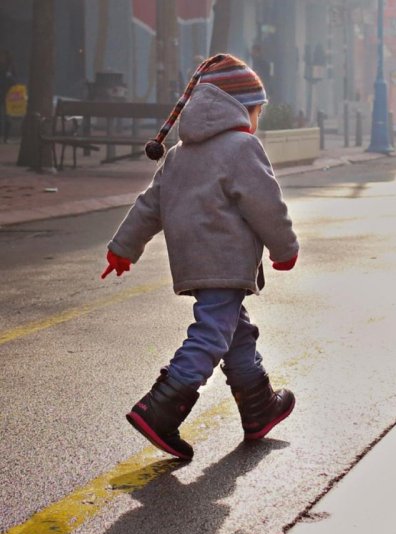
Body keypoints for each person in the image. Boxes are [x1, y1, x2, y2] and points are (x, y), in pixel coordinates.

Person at [101, 54, 299, 460]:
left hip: (194, 263)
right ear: (240, 109)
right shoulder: (243, 147)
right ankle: (160, 410)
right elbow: (266, 205)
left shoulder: (178, 155)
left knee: (235, 331)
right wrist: (285, 249)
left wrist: (123, 249)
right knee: (212, 334)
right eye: (258, 110)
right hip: (226, 261)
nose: (258, 118)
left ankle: (259, 407)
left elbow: (149, 206)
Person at [0, 49, 16, 142]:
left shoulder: (10, 67)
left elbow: (15, 80)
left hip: (8, 94)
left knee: (7, 116)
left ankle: (6, 137)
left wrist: (10, 78)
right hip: (1, 92)